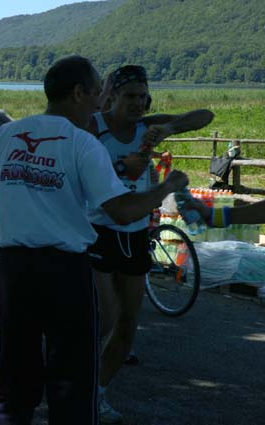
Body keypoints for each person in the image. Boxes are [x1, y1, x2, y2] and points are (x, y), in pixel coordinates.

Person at [0, 55, 189, 425]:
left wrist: (14, 186)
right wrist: (166, 187)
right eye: (97, 93)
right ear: (78, 93)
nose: (101, 103)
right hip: (65, 270)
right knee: (73, 382)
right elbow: (122, 211)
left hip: (13, 269)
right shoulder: (81, 143)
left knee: (16, 377)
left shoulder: (7, 135)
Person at [86, 65, 214, 424]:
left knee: (127, 326)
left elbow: (206, 115)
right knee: (104, 318)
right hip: (98, 229)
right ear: (111, 96)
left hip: (136, 233)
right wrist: (118, 166)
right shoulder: (93, 126)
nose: (138, 104)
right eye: (130, 96)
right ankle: (68, 382)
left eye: (144, 97)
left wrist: (170, 128)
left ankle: (97, 393)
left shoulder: (148, 128)